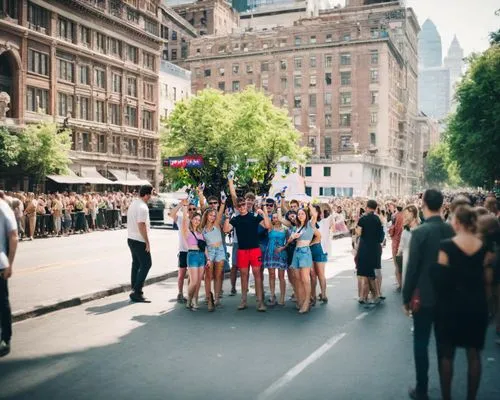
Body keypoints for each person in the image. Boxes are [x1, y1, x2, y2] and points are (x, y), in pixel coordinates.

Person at [431, 205, 494, 400]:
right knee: (474, 354)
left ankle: (447, 397)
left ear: (457, 223)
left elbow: (440, 280)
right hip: (476, 304)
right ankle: (471, 398)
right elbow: (488, 282)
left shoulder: (446, 246)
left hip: (450, 305)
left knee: (447, 355)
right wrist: (490, 307)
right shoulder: (484, 248)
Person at [403, 189, 455, 400]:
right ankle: (446, 392)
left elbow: (412, 268)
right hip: (447, 296)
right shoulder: (451, 231)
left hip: (423, 296)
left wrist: (406, 297)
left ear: (423, 204)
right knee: (444, 346)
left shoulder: (420, 232)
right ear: (442, 204)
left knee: (421, 343)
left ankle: (422, 388)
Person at [224, 197, 270, 312]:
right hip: (242, 251)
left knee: (257, 276)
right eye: (239, 206)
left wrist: (263, 213)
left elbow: (268, 226)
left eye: (243, 204)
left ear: (246, 205)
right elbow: (226, 230)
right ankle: (243, 301)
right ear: (237, 208)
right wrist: (227, 217)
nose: (242, 207)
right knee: (244, 276)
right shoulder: (236, 219)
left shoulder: (254, 216)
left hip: (255, 250)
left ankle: (260, 302)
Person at [127, 185, 153, 303]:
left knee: (136, 264)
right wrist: (147, 241)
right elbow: (141, 225)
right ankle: (137, 291)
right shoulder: (143, 207)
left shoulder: (134, 203)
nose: (151, 197)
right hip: (139, 239)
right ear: (147, 194)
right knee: (147, 264)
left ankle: (134, 288)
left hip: (131, 238)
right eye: (151, 194)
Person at [0, 192, 18, 357]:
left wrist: (10, 264)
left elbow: (13, 236)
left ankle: (5, 338)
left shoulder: (4, 207)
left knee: (1, 301)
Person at [355, 199, 384, 306]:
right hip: (375, 248)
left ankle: (370, 296)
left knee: (365, 273)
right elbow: (381, 237)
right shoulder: (378, 219)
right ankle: (369, 295)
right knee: (372, 273)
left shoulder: (363, 219)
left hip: (365, 247)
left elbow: (358, 232)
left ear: (367, 207)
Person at [181, 202, 207, 311]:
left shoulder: (201, 232)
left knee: (199, 281)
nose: (197, 221)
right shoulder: (187, 231)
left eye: (199, 219)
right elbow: (184, 221)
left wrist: (208, 259)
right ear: (192, 219)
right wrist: (185, 207)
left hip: (201, 256)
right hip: (192, 255)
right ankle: (189, 299)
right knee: (194, 281)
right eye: (195, 219)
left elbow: (204, 247)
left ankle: (195, 301)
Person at [201, 201, 226, 310]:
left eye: (214, 215)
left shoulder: (216, 225)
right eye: (210, 215)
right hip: (209, 251)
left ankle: (217, 298)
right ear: (206, 215)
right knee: (208, 276)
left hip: (220, 250)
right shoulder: (202, 229)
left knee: (218, 275)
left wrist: (223, 203)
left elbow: (220, 213)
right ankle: (208, 297)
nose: (213, 217)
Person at [263, 212, 288, 306]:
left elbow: (289, 242)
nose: (275, 219)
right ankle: (272, 296)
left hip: (281, 253)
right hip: (270, 253)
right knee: (272, 275)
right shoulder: (270, 228)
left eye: (277, 217)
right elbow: (266, 217)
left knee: (281, 276)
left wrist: (283, 248)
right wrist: (264, 208)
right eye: (273, 217)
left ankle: (282, 297)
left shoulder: (285, 230)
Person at [397, 205, 420, 287]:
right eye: (404, 215)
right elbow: (400, 249)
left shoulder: (421, 232)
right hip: (406, 273)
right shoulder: (405, 232)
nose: (404, 217)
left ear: (413, 214)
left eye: (406, 215)